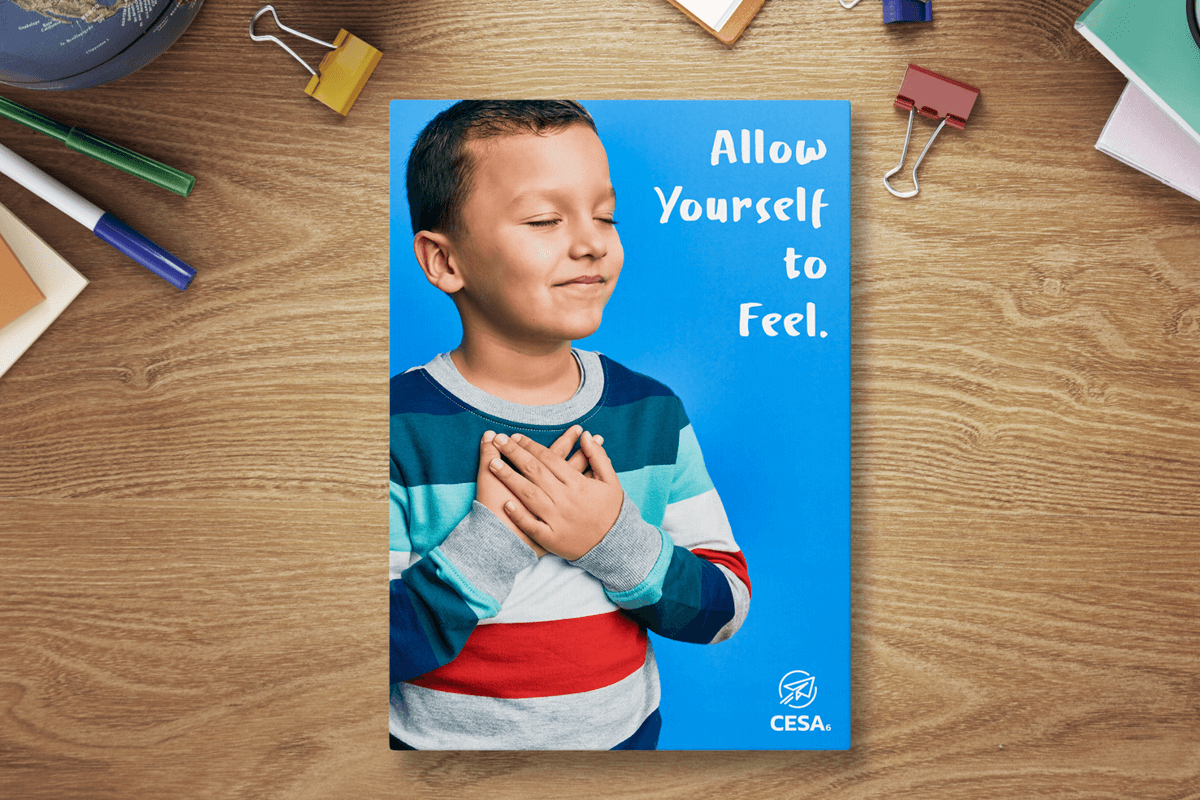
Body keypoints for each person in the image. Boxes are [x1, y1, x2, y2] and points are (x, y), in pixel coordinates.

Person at [390, 100, 750, 750]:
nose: (592, 242)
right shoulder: (394, 427)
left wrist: (611, 540)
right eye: (544, 220)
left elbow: (724, 609)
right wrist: (493, 543)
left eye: (605, 216)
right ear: (444, 262)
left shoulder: (653, 414)